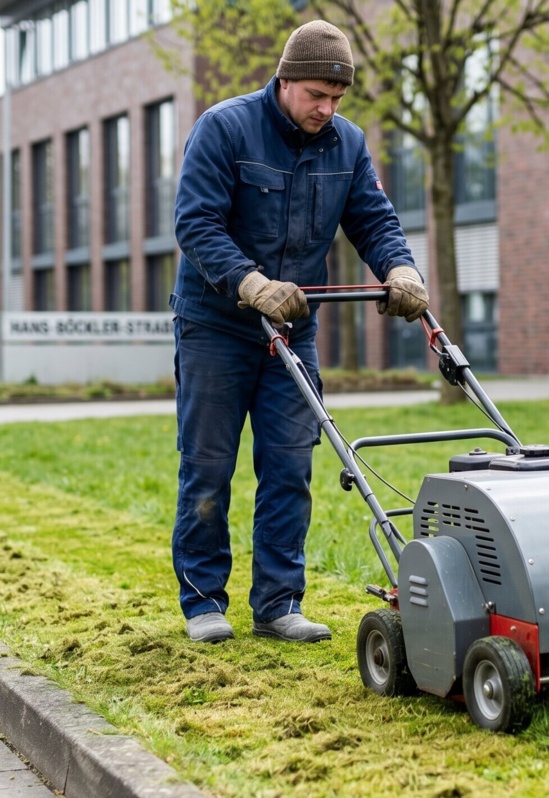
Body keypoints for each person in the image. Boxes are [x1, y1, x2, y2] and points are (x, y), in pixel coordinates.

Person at [170, 20, 427, 644]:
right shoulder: (225, 127)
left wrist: (399, 267)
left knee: (289, 466)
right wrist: (250, 282)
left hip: (293, 327)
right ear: (285, 80)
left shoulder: (347, 144)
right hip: (216, 326)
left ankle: (279, 604)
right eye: (317, 95)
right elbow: (195, 221)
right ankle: (204, 603)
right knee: (208, 466)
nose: (326, 109)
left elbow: (373, 217)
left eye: (337, 99)